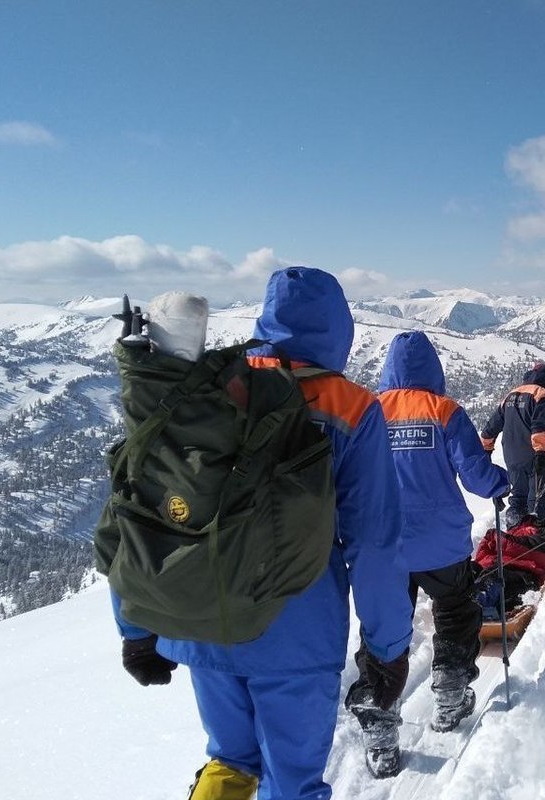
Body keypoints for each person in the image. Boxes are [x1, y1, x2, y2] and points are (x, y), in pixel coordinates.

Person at [109, 267, 414, 798]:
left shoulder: (206, 386)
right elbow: (373, 541)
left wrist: (136, 629)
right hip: (295, 630)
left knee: (229, 760)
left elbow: (139, 505)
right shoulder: (350, 406)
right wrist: (387, 647)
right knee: (291, 783)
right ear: (339, 330)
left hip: (204, 616)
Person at [369, 330, 509, 733]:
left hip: (384, 544)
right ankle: (450, 683)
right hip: (440, 543)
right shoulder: (445, 411)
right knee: (453, 610)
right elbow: (477, 476)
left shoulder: (369, 411)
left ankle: (379, 711)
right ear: (433, 367)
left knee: (384, 625)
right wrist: (501, 483)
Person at [480, 362, 545, 525]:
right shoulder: (543, 395)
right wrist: (541, 452)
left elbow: (491, 427)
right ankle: (543, 533)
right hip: (538, 457)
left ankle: (514, 533)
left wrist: (486, 448)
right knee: (539, 499)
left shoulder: (511, 395)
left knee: (519, 496)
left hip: (513, 457)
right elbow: (540, 425)